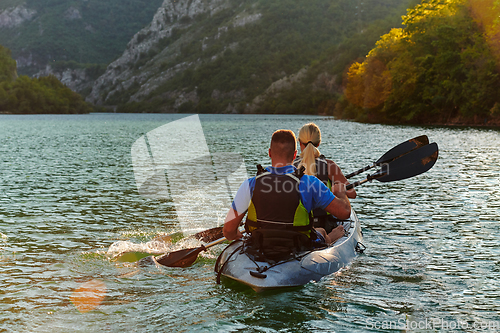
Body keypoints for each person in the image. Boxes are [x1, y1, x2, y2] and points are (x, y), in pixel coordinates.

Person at [223, 129, 351, 245]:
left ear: (269, 153)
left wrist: (236, 235)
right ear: (295, 155)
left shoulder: (250, 184)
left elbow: (228, 231)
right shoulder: (310, 182)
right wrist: (341, 193)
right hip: (298, 244)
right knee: (321, 231)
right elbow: (344, 213)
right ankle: (331, 238)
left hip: (260, 242)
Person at [294, 123, 356, 233]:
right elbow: (352, 194)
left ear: (299, 143)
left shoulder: (290, 166)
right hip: (324, 225)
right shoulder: (329, 166)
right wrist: (339, 191)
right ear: (318, 143)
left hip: (297, 225)